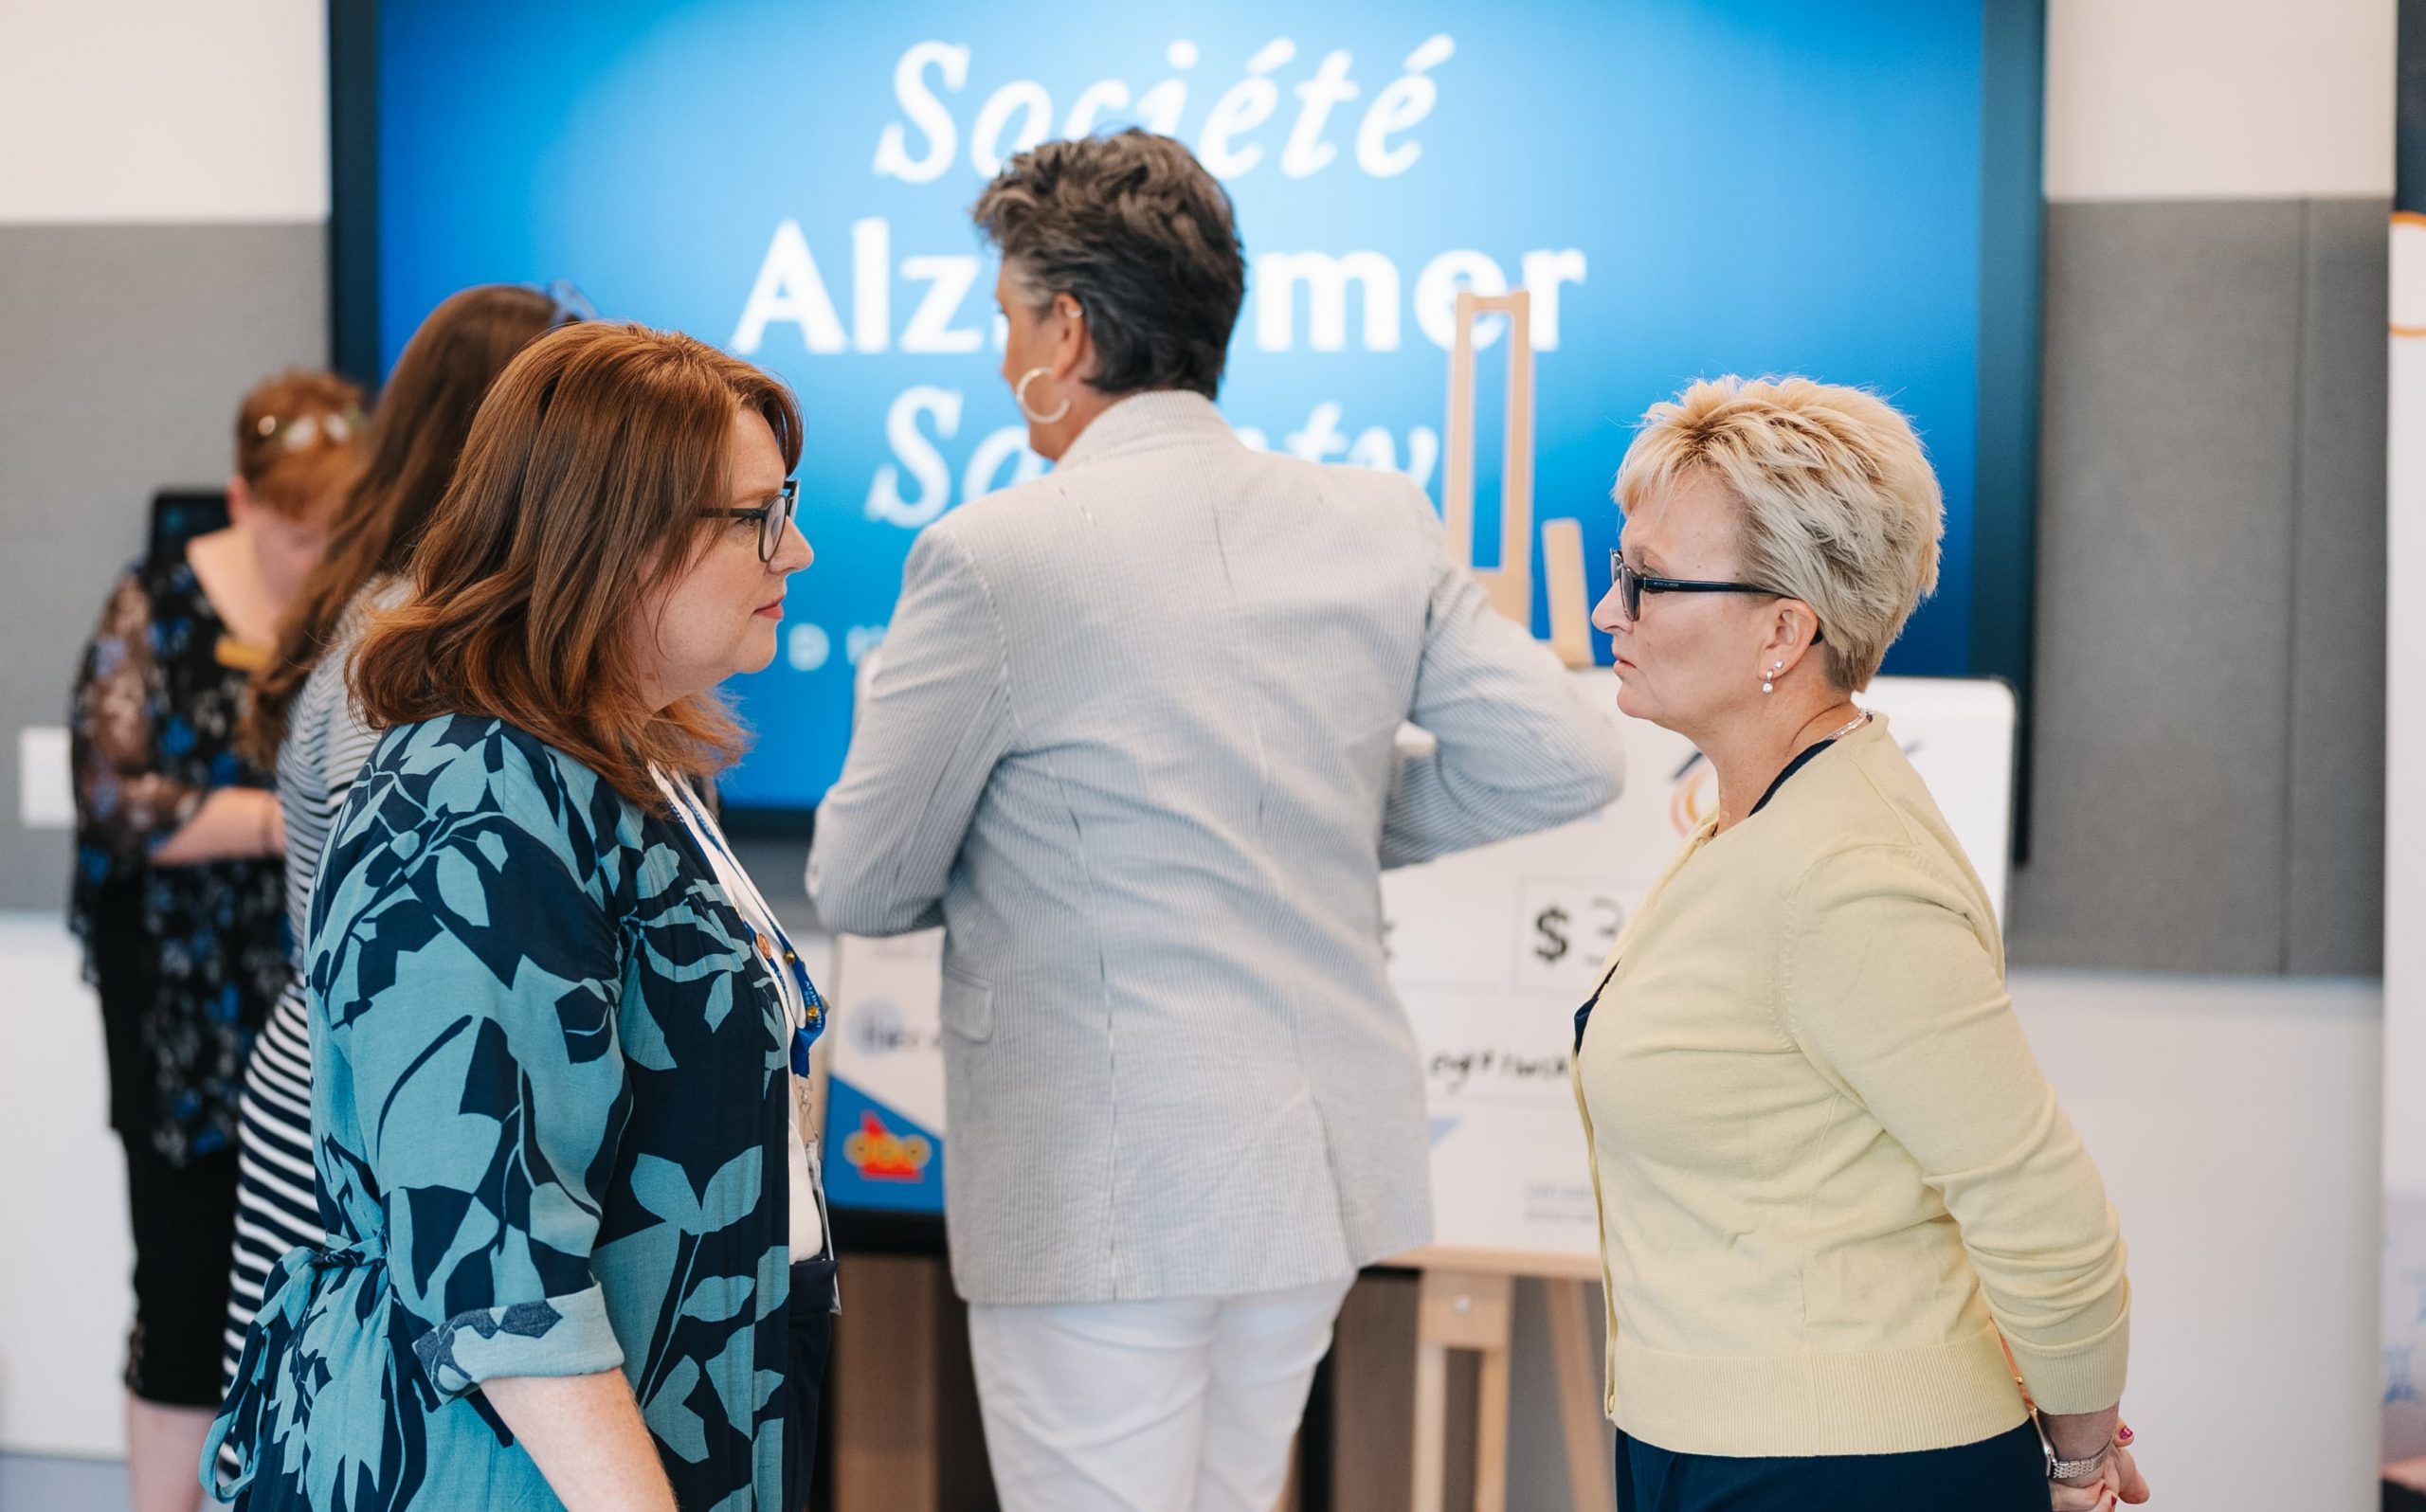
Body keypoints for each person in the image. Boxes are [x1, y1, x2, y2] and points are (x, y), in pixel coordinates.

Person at [807, 129, 1627, 1512]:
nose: (996, 346)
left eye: (1004, 314)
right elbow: (1564, 756)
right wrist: (1308, 808)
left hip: (1108, 1178)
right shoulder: (1369, 519)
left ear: (1063, 330)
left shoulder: (996, 553)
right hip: (1313, 1168)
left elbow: (863, 880)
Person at [206, 323, 833, 1512]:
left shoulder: (614, 755)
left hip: (682, 1394)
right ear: (623, 537)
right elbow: (492, 1272)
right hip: (531, 1461)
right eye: (757, 516)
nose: (792, 549)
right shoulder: (472, 808)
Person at [1571, 375, 2146, 1512]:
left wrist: (2080, 1457)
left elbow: (2042, 1208)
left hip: (1837, 1471)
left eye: (1645, 581)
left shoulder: (1845, 876)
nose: (1609, 611)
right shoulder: (1768, 817)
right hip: (1729, 1445)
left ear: (1783, 629)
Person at [219, 282, 579, 1394]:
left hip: (350, 1092)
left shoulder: (402, 612)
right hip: (364, 1113)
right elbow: (416, 963)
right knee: (348, 1441)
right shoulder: (414, 649)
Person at [68, 369, 363, 1512]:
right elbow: (111, 793)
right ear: (242, 502)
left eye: (339, 531)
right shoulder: (154, 603)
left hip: (298, 992)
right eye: (299, 532)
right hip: (174, 1008)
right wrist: (268, 820)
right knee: (183, 1280)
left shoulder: (355, 615)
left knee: (297, 1275)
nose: (317, 553)